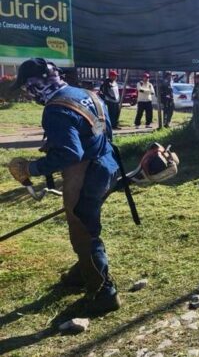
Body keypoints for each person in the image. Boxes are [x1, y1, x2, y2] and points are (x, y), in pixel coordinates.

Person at [7, 58, 121, 314]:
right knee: (88, 222)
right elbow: (102, 128)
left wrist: (31, 169)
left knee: (83, 232)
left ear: (36, 84)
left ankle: (103, 292)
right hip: (108, 165)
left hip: (86, 175)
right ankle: (83, 271)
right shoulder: (86, 94)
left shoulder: (56, 110)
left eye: (27, 87)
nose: (27, 93)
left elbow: (71, 154)